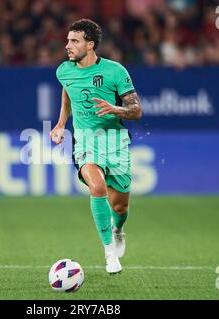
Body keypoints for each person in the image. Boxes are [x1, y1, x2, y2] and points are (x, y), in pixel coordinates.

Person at [50, 19, 142, 274]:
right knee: (97, 185)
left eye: (74, 41)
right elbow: (68, 93)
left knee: (120, 207)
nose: (67, 45)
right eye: (68, 40)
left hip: (115, 141)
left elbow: (136, 110)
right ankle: (110, 252)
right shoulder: (63, 71)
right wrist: (60, 125)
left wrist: (115, 109)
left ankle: (118, 229)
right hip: (86, 141)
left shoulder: (115, 71)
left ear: (90, 45)